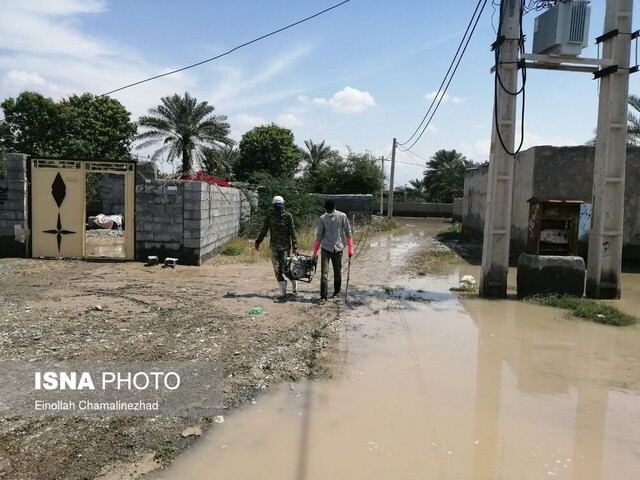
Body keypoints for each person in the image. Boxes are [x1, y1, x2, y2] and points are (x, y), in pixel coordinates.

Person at [255, 195, 299, 299]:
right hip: (274, 246)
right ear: (273, 205)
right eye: (276, 204)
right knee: (276, 269)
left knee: (285, 268)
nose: (278, 206)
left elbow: (293, 232)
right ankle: (282, 293)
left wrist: (295, 246)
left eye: (280, 204)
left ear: (283, 204)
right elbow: (264, 229)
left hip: (285, 247)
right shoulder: (270, 216)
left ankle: (293, 282)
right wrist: (258, 241)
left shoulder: (288, 216)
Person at [312, 200, 354, 302]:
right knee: (324, 273)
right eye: (328, 210)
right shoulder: (322, 218)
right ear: (325, 209)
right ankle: (323, 296)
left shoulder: (342, 216)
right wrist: (314, 253)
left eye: (330, 210)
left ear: (334, 207)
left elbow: (348, 232)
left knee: (337, 272)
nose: (329, 212)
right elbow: (319, 236)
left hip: (338, 248)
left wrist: (350, 248)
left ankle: (337, 292)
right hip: (326, 248)